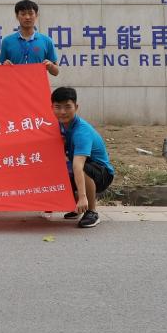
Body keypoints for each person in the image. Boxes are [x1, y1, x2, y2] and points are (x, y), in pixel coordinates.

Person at [50, 87, 114, 228]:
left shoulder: (81, 131)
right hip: (80, 167)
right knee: (53, 168)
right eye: (58, 107)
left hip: (102, 173)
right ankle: (77, 207)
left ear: (76, 107)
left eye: (67, 107)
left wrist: (83, 197)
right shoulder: (57, 126)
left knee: (82, 167)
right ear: (52, 108)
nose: (62, 112)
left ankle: (91, 211)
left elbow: (78, 165)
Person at [0, 0, 59, 76]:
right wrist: (4, 67)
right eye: (23, 14)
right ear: (17, 16)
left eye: (31, 14)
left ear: (36, 15)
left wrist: (50, 66)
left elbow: (56, 72)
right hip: (15, 83)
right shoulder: (7, 41)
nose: (27, 17)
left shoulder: (46, 41)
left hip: (38, 83)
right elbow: (0, 72)